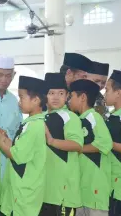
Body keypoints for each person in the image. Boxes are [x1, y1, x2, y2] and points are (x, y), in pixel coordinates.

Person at [0, 76, 47, 216]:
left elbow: (16, 155)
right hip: (16, 190)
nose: (19, 102)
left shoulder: (35, 126)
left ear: (36, 100)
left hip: (23, 193)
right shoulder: (29, 123)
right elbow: (17, 147)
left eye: (22, 98)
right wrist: (6, 140)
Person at [40, 73, 84, 216]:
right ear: (44, 96)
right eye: (51, 93)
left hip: (63, 193)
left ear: (67, 96)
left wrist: (52, 141)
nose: (55, 97)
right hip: (42, 189)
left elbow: (77, 144)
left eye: (60, 93)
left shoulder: (70, 117)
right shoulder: (40, 117)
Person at [68, 79, 113, 216]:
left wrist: (78, 148)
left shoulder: (93, 117)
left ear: (82, 97)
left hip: (95, 187)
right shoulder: (78, 119)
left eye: (71, 96)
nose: (68, 100)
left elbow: (105, 143)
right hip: (83, 188)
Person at [0, 56, 22, 179]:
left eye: (8, 76)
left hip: (8, 164)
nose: (4, 79)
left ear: (13, 75)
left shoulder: (15, 102)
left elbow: (19, 131)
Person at [104, 70, 121, 216]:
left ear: (119, 93)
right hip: (111, 183)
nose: (104, 93)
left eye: (107, 90)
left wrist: (108, 143)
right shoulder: (113, 115)